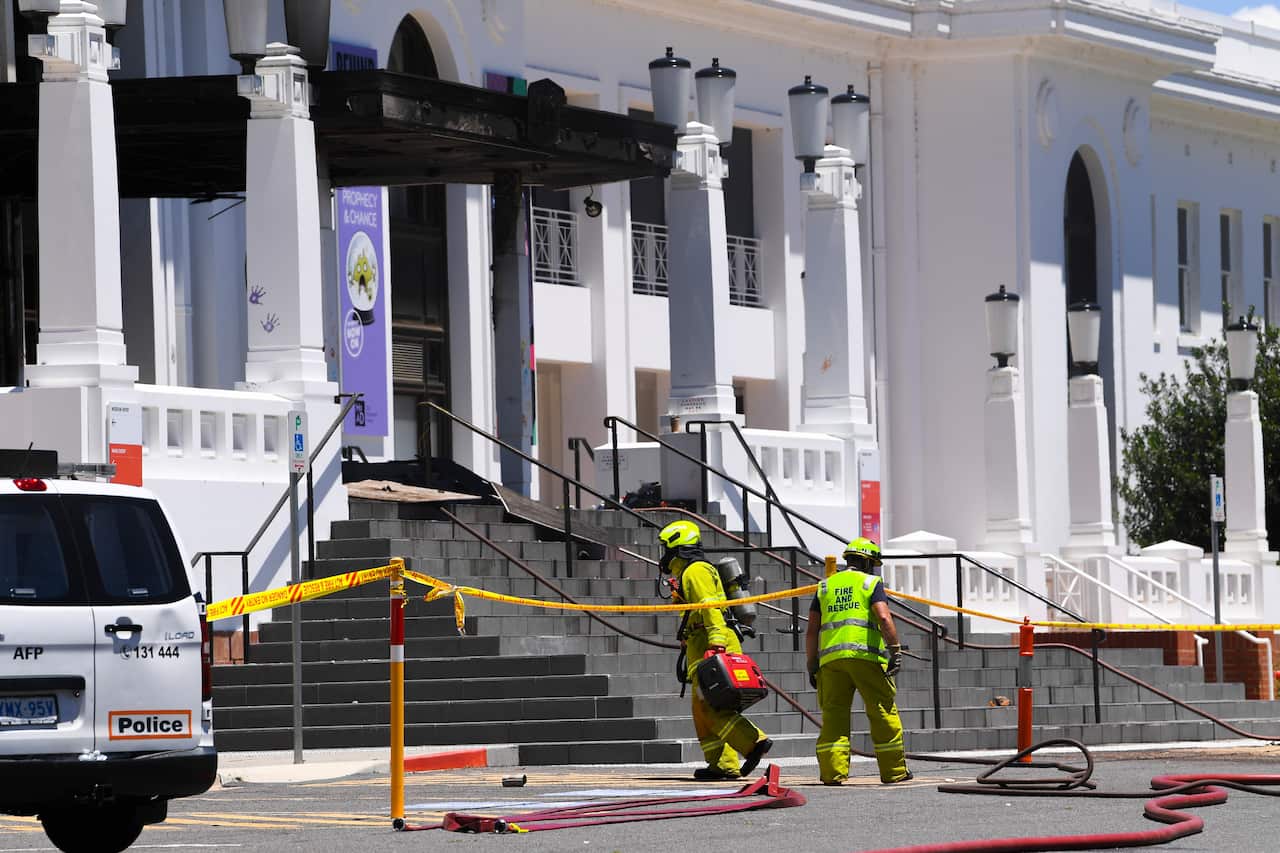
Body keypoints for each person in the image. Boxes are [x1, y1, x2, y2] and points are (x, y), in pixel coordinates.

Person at [658, 519, 772, 781]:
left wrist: (716, 641)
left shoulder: (695, 571)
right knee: (702, 710)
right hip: (700, 642)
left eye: (665, 547)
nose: (663, 555)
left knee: (710, 706)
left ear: (676, 547)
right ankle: (722, 765)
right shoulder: (689, 571)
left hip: (712, 642)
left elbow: (710, 607)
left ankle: (753, 742)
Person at [805, 537, 912, 785]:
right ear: (866, 562)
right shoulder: (870, 582)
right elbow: (884, 618)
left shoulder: (825, 586)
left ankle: (832, 773)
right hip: (865, 657)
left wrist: (812, 664)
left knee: (833, 715)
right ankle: (894, 772)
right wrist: (895, 651)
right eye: (873, 563)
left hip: (831, 661)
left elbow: (812, 629)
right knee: (882, 712)